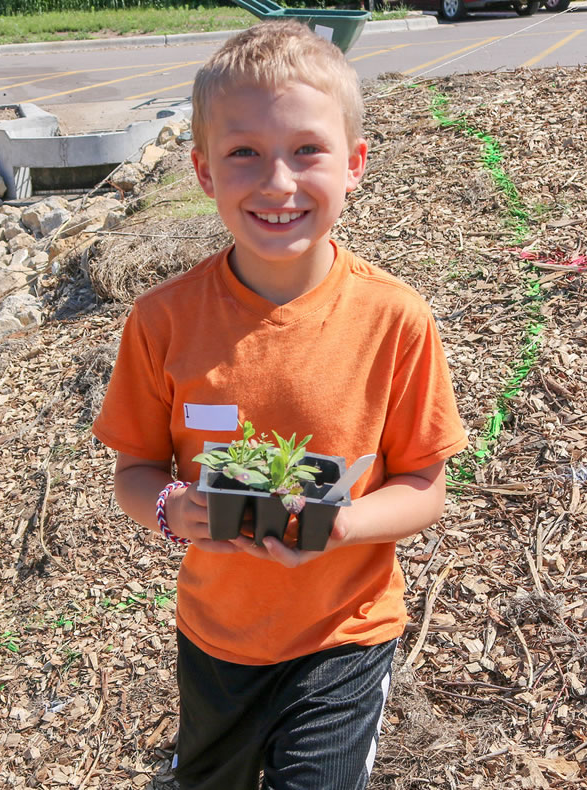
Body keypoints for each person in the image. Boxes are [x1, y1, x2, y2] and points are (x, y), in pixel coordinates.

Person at [92, 19, 466, 790]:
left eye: (307, 150)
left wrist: (342, 526)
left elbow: (425, 487)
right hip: (217, 637)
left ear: (355, 163)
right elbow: (135, 468)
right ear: (203, 173)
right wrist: (170, 508)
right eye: (244, 155)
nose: (278, 183)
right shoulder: (163, 321)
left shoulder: (395, 319)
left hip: (345, 632)